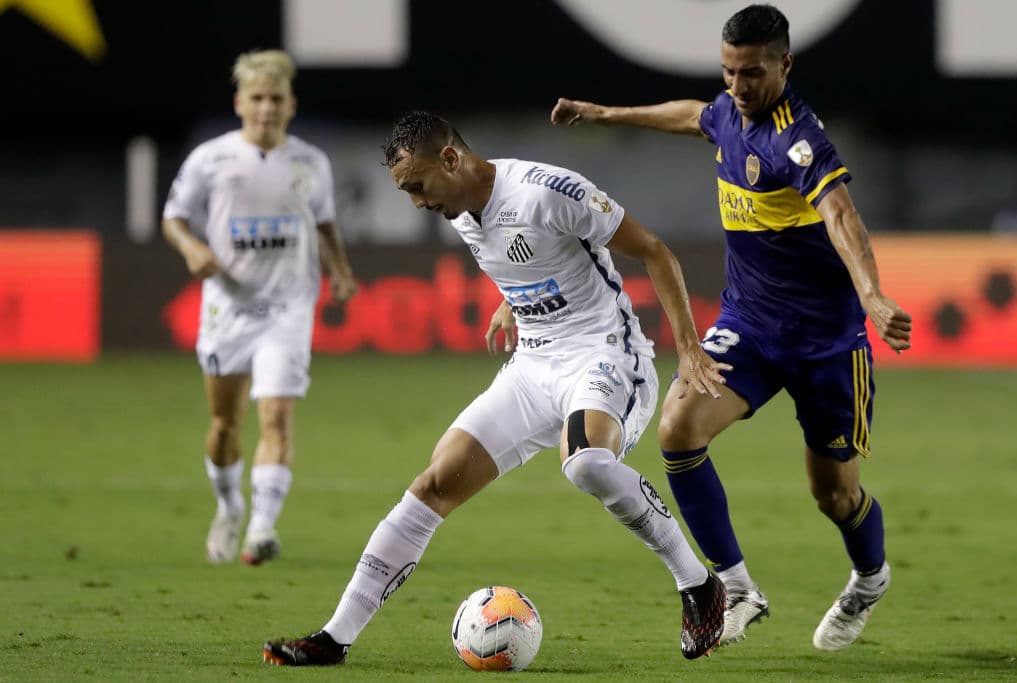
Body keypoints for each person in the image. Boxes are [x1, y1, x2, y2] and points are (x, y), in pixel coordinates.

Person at [263, 110, 731, 666]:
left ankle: (698, 583)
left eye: (417, 186)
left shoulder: (545, 192)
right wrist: (512, 303)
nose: (416, 202)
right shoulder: (461, 211)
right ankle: (334, 638)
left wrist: (688, 347)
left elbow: (654, 250)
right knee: (433, 483)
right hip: (533, 366)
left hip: (605, 354)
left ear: (451, 159)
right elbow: (529, 258)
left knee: (585, 463)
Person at [549, 3, 912, 652]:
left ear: (785, 65)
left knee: (835, 495)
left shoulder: (798, 141)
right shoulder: (728, 112)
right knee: (678, 428)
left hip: (827, 343)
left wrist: (873, 295)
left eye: (751, 74)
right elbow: (693, 114)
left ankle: (869, 577)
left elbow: (841, 216)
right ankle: (738, 588)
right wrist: (604, 113)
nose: (737, 87)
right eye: (729, 72)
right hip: (750, 327)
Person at [162, 49, 358, 566]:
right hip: (228, 307)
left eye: (276, 98)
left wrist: (339, 270)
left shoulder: (311, 162)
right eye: (257, 98)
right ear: (239, 103)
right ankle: (230, 507)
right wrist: (192, 248)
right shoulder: (210, 159)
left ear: (291, 104)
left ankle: (262, 528)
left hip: (288, 307)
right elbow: (173, 217)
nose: (267, 107)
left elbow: (324, 223)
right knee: (224, 425)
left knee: (276, 415)